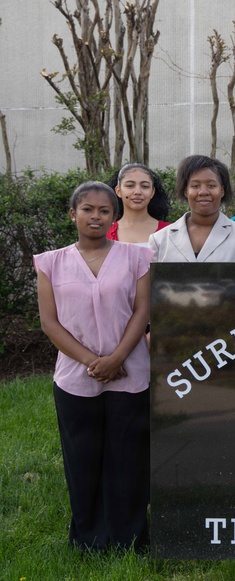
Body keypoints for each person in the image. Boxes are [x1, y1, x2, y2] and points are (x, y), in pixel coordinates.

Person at [34, 181, 153, 551]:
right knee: (82, 459)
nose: (96, 216)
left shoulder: (138, 257)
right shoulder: (50, 263)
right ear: (73, 214)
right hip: (75, 378)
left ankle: (129, 537)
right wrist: (92, 362)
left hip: (130, 372)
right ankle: (88, 538)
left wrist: (117, 358)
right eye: (87, 209)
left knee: (128, 459)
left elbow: (143, 311)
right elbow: (49, 322)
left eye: (104, 210)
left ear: (114, 216)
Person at [149, 155, 235, 262]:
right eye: (195, 186)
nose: (203, 192)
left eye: (211, 185)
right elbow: (152, 280)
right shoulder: (159, 239)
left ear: (222, 190)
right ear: (185, 191)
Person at [107, 163, 172, 245]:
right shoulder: (104, 233)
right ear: (118, 191)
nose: (138, 192)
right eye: (130, 186)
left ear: (152, 192)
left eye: (144, 186)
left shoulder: (169, 232)